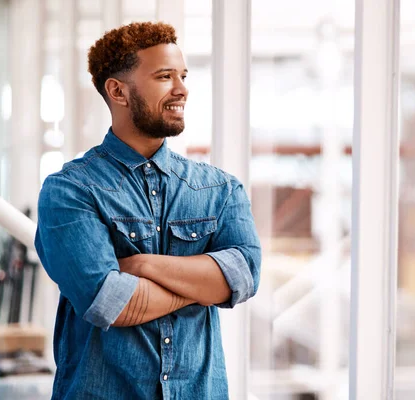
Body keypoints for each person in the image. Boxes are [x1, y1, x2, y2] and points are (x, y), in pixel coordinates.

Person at [34, 22, 261, 399]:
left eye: (183, 76)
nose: (182, 89)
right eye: (164, 76)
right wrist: (205, 285)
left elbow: (245, 276)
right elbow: (111, 303)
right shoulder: (69, 191)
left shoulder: (220, 189)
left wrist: (142, 266)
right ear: (118, 91)